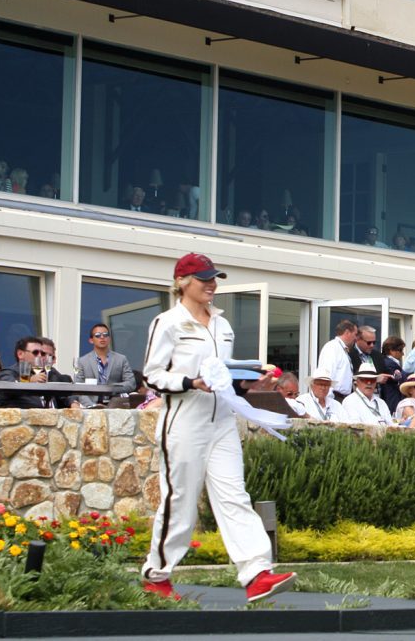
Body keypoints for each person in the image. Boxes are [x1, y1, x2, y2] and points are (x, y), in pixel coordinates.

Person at [139, 252, 295, 603]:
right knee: (180, 500)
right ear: (182, 283)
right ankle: (157, 577)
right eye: (204, 278)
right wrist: (191, 382)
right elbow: (152, 375)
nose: (212, 284)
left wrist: (247, 380)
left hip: (222, 418)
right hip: (184, 421)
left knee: (235, 495)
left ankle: (257, 573)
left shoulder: (223, 325)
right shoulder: (167, 323)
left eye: (215, 278)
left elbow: (223, 373)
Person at [74, 323, 137, 399]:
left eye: (105, 335)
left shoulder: (121, 359)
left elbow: (131, 383)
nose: (102, 337)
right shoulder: (82, 361)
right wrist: (90, 405)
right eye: (97, 335)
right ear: (91, 340)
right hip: (90, 405)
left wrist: (111, 388)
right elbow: (78, 387)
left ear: (109, 339)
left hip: (115, 403)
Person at [317, 319, 358, 398]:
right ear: (347, 332)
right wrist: (328, 400)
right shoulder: (332, 347)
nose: (356, 338)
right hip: (334, 397)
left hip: (342, 397)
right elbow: (326, 375)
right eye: (355, 334)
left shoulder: (341, 349)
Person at [377, 335, 407, 412]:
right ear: (391, 350)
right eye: (400, 350)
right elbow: (402, 379)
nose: (402, 354)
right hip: (392, 400)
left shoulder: (387, 362)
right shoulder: (389, 364)